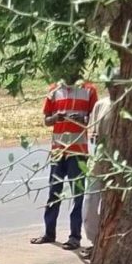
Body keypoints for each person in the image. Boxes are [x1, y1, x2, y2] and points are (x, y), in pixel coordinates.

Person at [32, 71, 98, 249]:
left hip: (78, 151)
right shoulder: (54, 90)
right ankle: (49, 232)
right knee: (54, 192)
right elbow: (46, 120)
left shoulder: (89, 90)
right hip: (58, 150)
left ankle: (74, 237)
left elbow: (94, 119)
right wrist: (56, 118)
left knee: (78, 195)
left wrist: (82, 119)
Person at [81, 89, 113, 258]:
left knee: (112, 207)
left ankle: (107, 245)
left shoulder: (127, 104)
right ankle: (95, 240)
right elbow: (93, 136)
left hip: (117, 166)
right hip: (97, 163)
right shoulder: (101, 105)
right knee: (89, 206)